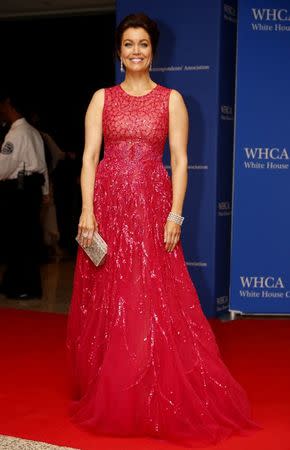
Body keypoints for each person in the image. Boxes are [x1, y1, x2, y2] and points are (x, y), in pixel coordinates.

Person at [66, 13, 262, 446]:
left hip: (152, 207)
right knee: (112, 295)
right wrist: (86, 211)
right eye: (128, 44)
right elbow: (89, 159)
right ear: (118, 53)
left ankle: (145, 384)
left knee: (148, 293)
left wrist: (175, 214)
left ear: (153, 51)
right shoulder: (102, 98)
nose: (136, 51)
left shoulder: (171, 99)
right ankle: (112, 385)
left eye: (143, 44)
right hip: (108, 206)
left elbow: (180, 160)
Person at [0, 89, 49, 299]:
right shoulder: (34, 132)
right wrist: (46, 191)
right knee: (29, 238)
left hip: (19, 192)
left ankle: (19, 286)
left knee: (17, 239)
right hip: (33, 190)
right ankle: (27, 285)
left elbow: (3, 167)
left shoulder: (15, 134)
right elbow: (44, 165)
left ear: (9, 106)